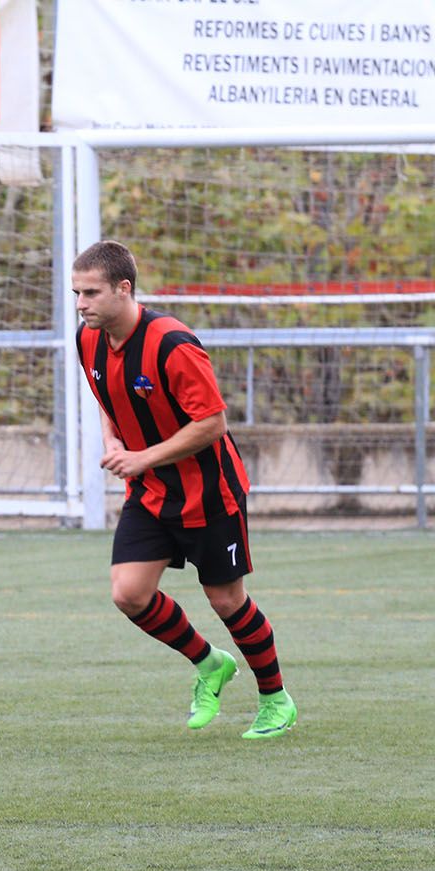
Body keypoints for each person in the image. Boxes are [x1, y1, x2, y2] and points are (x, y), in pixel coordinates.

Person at [72, 240, 299, 739]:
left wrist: (141, 457)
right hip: (151, 493)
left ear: (124, 288)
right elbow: (108, 400)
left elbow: (213, 423)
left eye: (90, 292)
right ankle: (209, 662)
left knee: (226, 601)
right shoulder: (87, 338)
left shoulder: (172, 344)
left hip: (210, 493)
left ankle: (275, 698)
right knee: (129, 594)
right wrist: (114, 441)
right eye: (76, 293)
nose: (81, 303)